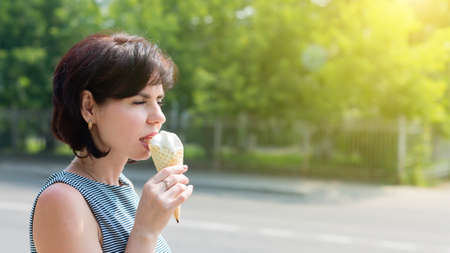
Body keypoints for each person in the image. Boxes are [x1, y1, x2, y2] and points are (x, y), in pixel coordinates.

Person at [29, 33, 193, 253]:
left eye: (159, 101)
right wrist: (145, 231)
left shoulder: (122, 186)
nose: (159, 116)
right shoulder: (62, 200)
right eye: (139, 101)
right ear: (89, 107)